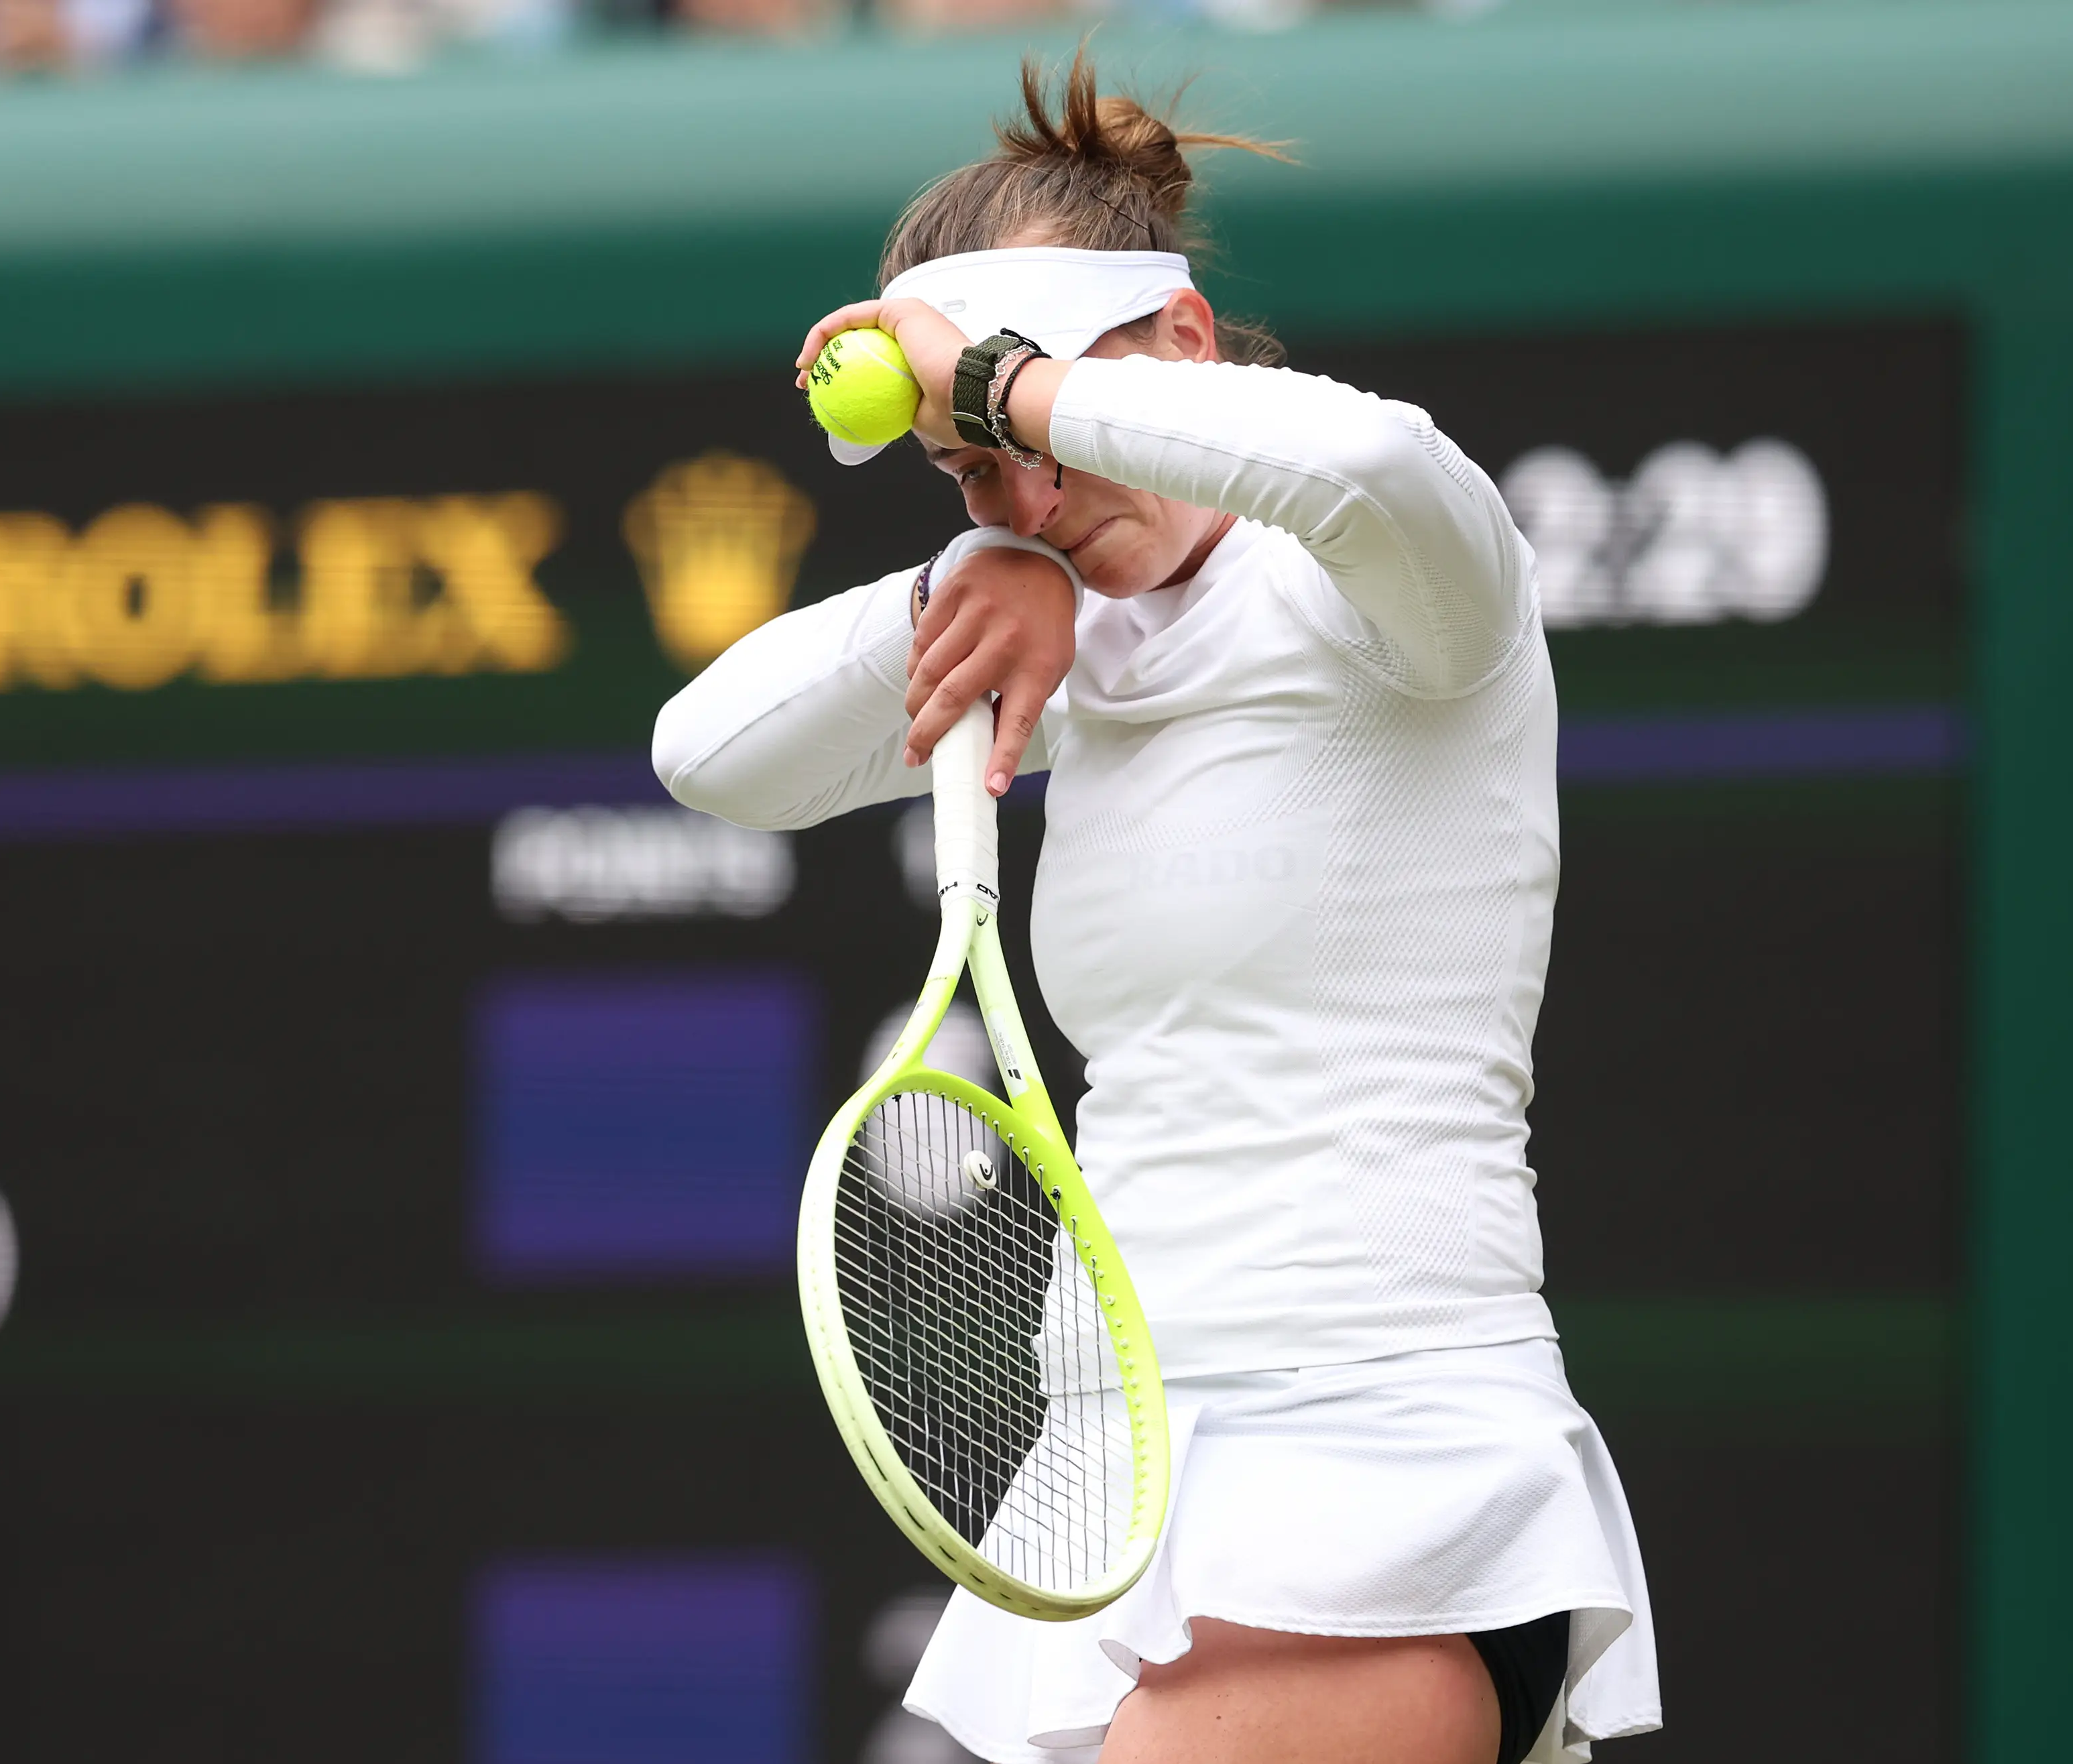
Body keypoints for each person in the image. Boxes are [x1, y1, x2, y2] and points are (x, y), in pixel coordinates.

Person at [652, 52, 1662, 1764]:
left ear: (1183, 349)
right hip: (1123, 1486)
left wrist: (998, 392)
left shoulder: (1406, 587)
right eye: (969, 467)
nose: (1027, 493)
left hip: (1383, 1469)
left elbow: (1375, 465)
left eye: (1039, 432)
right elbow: (709, 757)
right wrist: (947, 587)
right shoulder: (1055, 627)